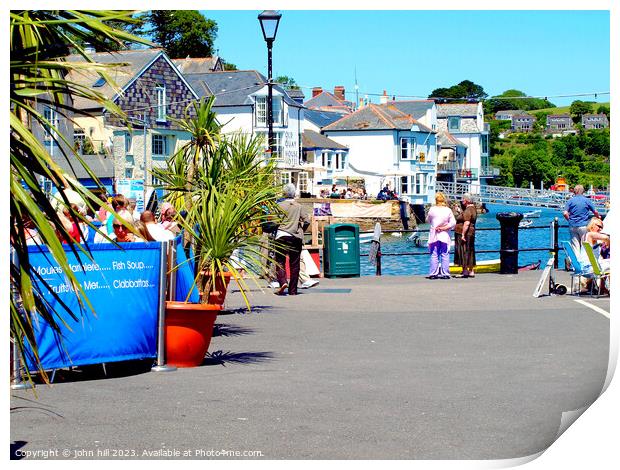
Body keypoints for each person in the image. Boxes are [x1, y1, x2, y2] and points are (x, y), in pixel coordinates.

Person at [273, 183, 310, 295]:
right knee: (295, 263)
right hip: (296, 237)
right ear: (294, 193)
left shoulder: (279, 206)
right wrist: (302, 230)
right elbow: (307, 220)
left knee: (280, 261)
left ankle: (283, 281)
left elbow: (274, 222)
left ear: (284, 193)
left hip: (282, 235)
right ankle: (293, 290)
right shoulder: (299, 206)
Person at [426, 192, 456, 279]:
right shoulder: (448, 210)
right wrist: (444, 227)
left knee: (434, 254)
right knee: (445, 254)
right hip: (445, 234)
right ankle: (445, 273)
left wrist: (435, 224)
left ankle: (433, 273)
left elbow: (428, 220)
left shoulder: (432, 209)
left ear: (436, 200)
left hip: (434, 234)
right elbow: (453, 222)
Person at [563, 184, 600, 255]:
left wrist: (569, 220)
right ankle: (585, 262)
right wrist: (598, 217)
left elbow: (565, 213)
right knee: (585, 245)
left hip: (572, 226)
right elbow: (595, 212)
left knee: (575, 246)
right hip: (583, 226)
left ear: (574, 192)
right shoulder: (587, 201)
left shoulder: (570, 201)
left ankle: (577, 263)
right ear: (583, 191)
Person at [454, 193, 477, 278]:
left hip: (463, 233)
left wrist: (463, 234)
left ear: (466, 200)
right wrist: (460, 212)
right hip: (471, 233)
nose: (462, 200)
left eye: (463, 199)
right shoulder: (472, 208)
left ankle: (464, 271)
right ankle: (471, 270)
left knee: (463, 251)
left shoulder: (468, 210)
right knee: (470, 251)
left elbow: (466, 223)